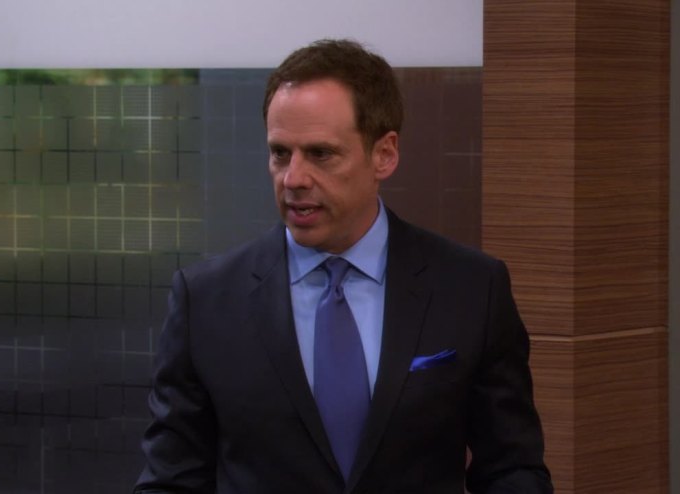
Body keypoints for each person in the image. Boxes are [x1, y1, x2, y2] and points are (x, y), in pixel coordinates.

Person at [134, 39, 552, 493]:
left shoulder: (471, 288)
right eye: (280, 153)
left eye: (320, 153)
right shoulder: (206, 301)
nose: (293, 178)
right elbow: (171, 481)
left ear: (384, 154)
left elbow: (511, 469)